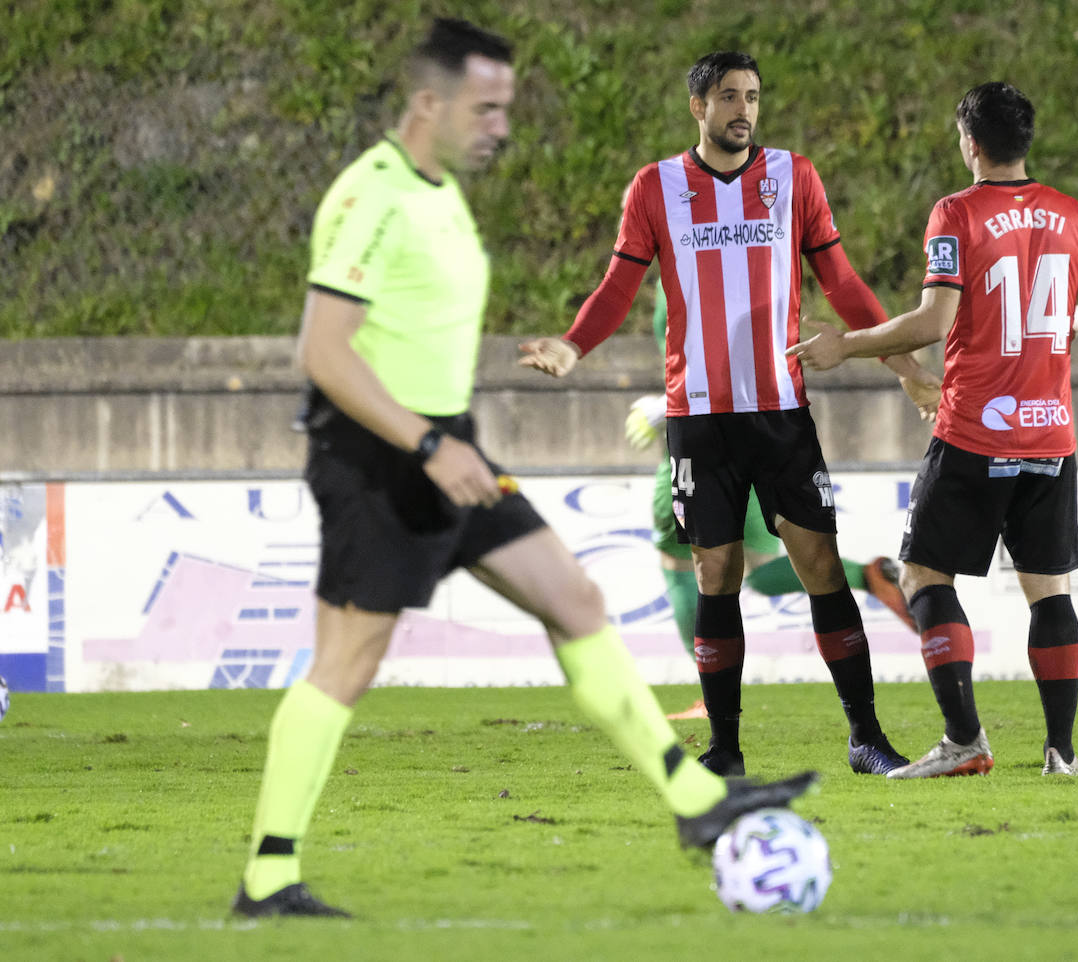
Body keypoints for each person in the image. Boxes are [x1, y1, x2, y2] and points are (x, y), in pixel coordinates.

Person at [231, 20, 816, 920]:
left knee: (574, 599)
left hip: (448, 449)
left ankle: (698, 804)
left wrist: (444, 442)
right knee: (345, 665)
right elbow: (324, 351)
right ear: (431, 103)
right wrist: (425, 446)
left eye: (506, 105)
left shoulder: (440, 194)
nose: (501, 124)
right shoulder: (372, 195)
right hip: (381, 459)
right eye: (487, 106)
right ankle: (269, 877)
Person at [521, 51, 936, 778]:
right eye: (727, 98)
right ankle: (725, 749)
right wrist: (573, 345)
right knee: (716, 573)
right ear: (698, 108)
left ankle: (865, 737)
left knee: (817, 568)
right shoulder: (656, 188)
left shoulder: (794, 177)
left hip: (781, 411)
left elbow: (840, 280)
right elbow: (618, 284)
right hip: (700, 418)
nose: (742, 110)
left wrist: (902, 365)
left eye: (751, 97)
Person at [788, 81, 1078, 779]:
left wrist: (846, 346)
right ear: (1023, 140)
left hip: (975, 431)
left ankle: (965, 739)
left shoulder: (957, 213)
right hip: (1050, 436)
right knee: (1050, 590)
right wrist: (1069, 319)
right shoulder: (1073, 216)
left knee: (923, 574)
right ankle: (1060, 753)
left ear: (970, 142)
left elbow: (933, 323)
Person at [623, 284, 918, 724]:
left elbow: (709, 364)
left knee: (684, 566)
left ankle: (712, 702)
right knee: (763, 569)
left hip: (705, 439)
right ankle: (867, 579)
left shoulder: (684, 267)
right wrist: (905, 366)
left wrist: (666, 405)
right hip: (772, 433)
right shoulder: (761, 259)